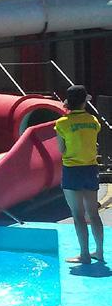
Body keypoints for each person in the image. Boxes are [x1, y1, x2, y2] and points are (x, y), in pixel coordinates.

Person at [55, 85, 105, 264]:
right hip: (90, 169)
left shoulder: (62, 123)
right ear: (85, 102)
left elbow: (61, 150)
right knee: (93, 213)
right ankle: (99, 252)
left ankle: (84, 255)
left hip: (72, 170)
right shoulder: (93, 120)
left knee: (78, 214)